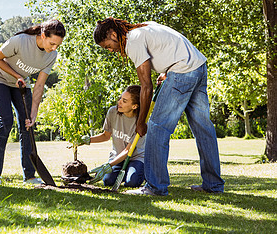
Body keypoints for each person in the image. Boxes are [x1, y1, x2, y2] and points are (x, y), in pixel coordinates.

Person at [93, 17, 224, 196]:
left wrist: (141, 122)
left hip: (183, 72)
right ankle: (213, 185)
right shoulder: (145, 27)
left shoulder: (133, 40)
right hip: (198, 66)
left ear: (113, 34)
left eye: (107, 45)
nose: (109, 50)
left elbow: (146, 87)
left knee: (156, 127)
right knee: (204, 129)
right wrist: (166, 71)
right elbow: (171, 47)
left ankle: (155, 187)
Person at [0, 19, 66, 186]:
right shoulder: (21, 41)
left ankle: (29, 176)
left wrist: (33, 113)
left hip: (21, 85)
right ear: (43, 35)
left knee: (27, 125)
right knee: (6, 121)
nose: (54, 48)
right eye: (52, 43)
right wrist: (17, 76)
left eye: (57, 45)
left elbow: (39, 85)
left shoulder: (51, 55)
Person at [82, 85, 146, 188]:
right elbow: (106, 136)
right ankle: (127, 172)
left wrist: (108, 165)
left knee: (131, 183)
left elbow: (127, 151)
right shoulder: (113, 112)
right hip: (117, 157)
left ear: (134, 106)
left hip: (136, 158)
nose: (119, 102)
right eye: (121, 98)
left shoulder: (141, 123)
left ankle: (140, 171)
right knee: (108, 181)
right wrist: (87, 140)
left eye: (124, 101)